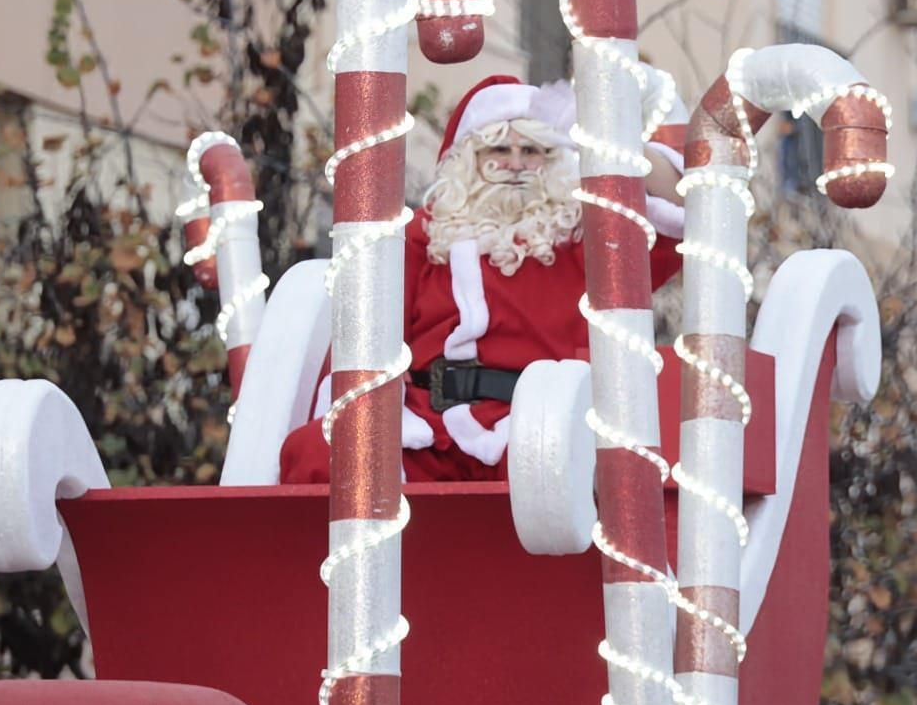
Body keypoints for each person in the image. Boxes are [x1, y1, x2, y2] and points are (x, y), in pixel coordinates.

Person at [278, 74, 686, 483]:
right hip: (428, 427)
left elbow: (682, 203)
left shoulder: (586, 238)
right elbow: (373, 342)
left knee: (560, 478)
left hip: (541, 431)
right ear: (467, 160)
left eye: (532, 150)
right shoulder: (421, 235)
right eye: (497, 149)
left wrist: (608, 141)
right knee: (322, 450)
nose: (514, 162)